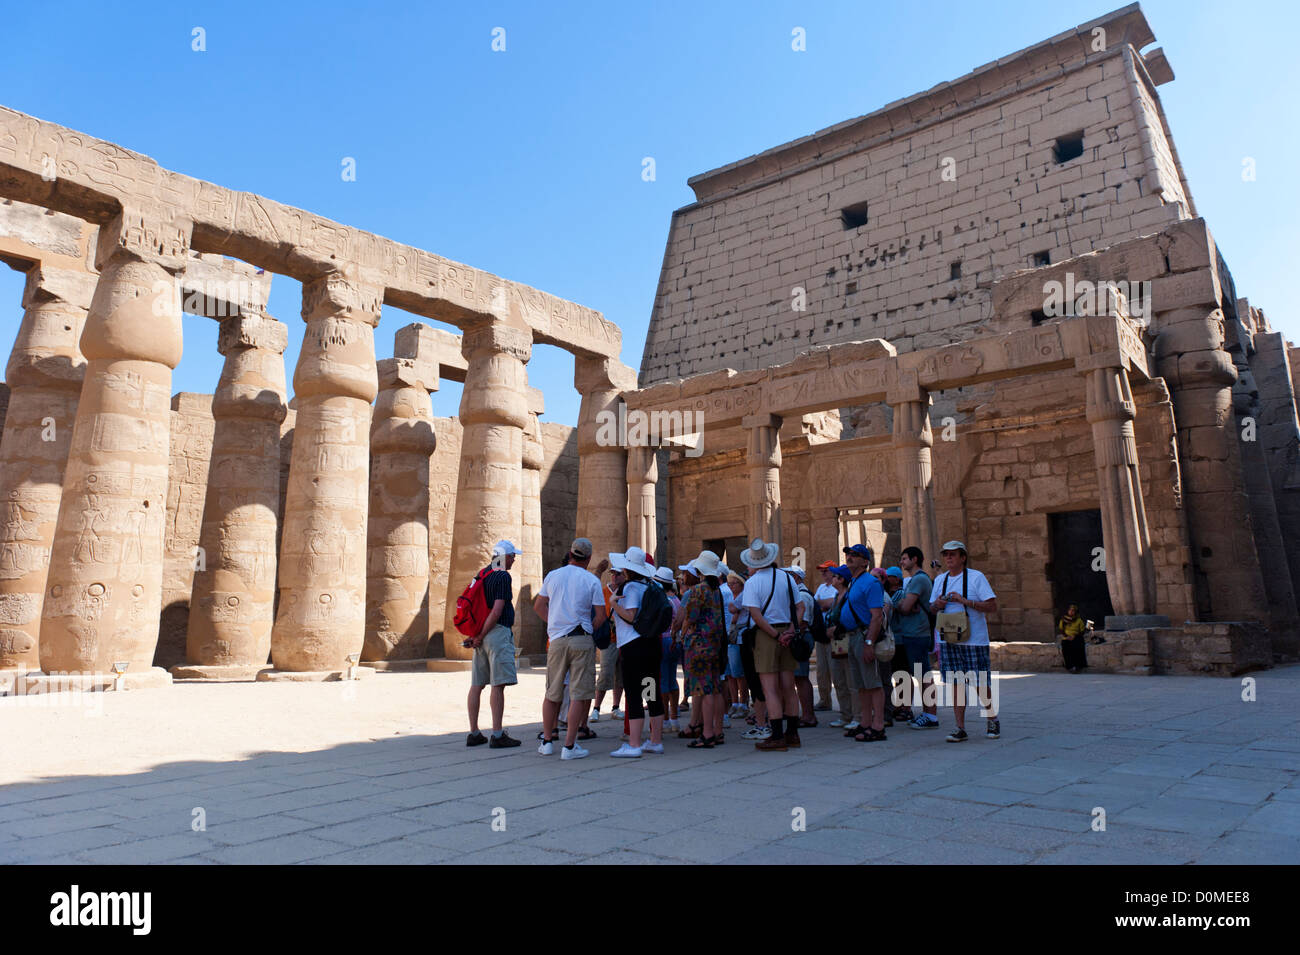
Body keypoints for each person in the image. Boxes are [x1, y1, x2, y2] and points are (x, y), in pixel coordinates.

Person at [533, 538, 607, 761]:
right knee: (578, 694)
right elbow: (601, 616)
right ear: (589, 558)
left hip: (556, 639)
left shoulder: (553, 575)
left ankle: (547, 742)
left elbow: (538, 606)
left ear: (570, 553)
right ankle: (569, 746)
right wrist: (588, 630)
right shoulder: (591, 580)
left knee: (552, 692)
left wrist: (554, 625)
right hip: (581, 637)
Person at [929, 540, 999, 742]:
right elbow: (932, 609)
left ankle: (992, 718)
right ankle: (960, 727)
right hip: (948, 639)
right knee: (955, 684)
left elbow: (991, 606)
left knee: (979, 683)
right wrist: (938, 604)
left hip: (974, 640)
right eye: (946, 554)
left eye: (953, 554)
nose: (948, 558)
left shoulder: (976, 578)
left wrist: (965, 601)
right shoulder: (940, 580)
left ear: (963, 557)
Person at [740, 538, 804, 752]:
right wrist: (791, 631)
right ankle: (793, 733)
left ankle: (777, 735)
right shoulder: (787, 578)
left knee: (770, 689)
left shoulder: (753, 583)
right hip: (787, 629)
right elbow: (800, 607)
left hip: (767, 635)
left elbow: (756, 615)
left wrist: (776, 636)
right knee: (788, 686)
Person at [607, 547, 665, 757]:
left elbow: (631, 616)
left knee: (633, 694)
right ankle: (655, 741)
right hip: (650, 646)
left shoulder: (630, 588)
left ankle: (633, 744)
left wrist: (614, 603)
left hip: (633, 647)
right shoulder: (649, 585)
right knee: (651, 693)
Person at [466, 540, 522, 749]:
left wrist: (477, 635)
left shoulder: (484, 573)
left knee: (477, 685)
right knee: (498, 685)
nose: (514, 559)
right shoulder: (502, 576)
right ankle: (497, 735)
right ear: (505, 557)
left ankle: (474, 732)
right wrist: (482, 634)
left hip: (480, 633)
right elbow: (497, 610)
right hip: (495, 633)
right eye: (512, 556)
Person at [678, 550, 728, 748]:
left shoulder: (699, 590)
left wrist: (683, 634)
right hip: (715, 645)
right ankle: (718, 731)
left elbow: (690, 617)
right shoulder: (716, 590)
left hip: (699, 646)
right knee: (715, 689)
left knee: (704, 690)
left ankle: (707, 734)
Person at [840, 544, 887, 742]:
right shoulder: (854, 582)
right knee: (861, 684)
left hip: (864, 636)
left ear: (865, 561)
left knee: (873, 683)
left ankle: (878, 726)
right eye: (849, 554)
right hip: (853, 637)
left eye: (855, 555)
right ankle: (866, 722)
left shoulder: (871, 583)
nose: (850, 557)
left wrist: (869, 642)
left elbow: (876, 617)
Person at [894, 547, 938, 729]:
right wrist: (902, 604)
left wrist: (902, 605)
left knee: (923, 675)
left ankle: (931, 715)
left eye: (904, 558)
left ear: (914, 559)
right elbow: (902, 604)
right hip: (912, 634)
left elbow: (904, 606)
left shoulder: (919, 579)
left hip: (918, 634)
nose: (902, 562)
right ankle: (927, 713)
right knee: (920, 674)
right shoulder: (914, 580)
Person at [823, 564, 858, 729]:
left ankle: (857, 716)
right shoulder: (837, 596)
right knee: (839, 680)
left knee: (852, 681)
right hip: (836, 643)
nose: (832, 578)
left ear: (842, 579)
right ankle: (845, 715)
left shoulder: (849, 596)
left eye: (835, 576)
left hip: (847, 641)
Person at [591, 563, 625, 723]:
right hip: (610, 639)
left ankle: (616, 707)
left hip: (624, 639)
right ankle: (596, 708)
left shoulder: (626, 592)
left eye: (618, 574)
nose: (614, 576)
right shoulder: (604, 592)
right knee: (605, 673)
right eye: (613, 573)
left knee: (621, 675)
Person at [786, 566, 818, 727]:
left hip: (801, 638)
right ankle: (806, 714)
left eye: (789, 575)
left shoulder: (802, 596)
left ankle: (808, 715)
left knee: (801, 677)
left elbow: (803, 622)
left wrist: (788, 633)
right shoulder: (799, 594)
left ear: (796, 577)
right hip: (799, 637)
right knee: (799, 677)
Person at [656, 566, 683, 729]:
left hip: (664, 640)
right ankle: (674, 718)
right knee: (672, 679)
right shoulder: (677, 599)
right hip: (676, 641)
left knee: (663, 682)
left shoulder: (662, 600)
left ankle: (665, 719)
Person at [812, 560, 838, 712]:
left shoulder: (837, 587)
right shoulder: (822, 587)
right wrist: (823, 603)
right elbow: (818, 605)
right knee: (822, 670)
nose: (823, 573)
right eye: (822, 571)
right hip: (821, 633)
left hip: (834, 634)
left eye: (826, 571)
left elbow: (829, 604)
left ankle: (843, 702)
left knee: (837, 670)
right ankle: (824, 700)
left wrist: (822, 603)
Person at [724, 571, 750, 720]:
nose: (731, 586)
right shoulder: (735, 597)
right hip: (731, 635)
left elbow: (733, 610)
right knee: (731, 674)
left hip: (738, 637)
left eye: (734, 583)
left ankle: (743, 703)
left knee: (739, 673)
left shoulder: (742, 596)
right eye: (730, 584)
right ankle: (735, 702)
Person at [1058, 603, 1088, 673]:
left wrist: (1074, 636)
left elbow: (1082, 631)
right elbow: (1061, 630)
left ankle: (1078, 667)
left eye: (1073, 610)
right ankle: (1070, 667)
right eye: (1070, 610)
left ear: (1075, 612)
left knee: (1078, 648)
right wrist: (1067, 636)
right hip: (1067, 637)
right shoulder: (1063, 620)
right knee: (1065, 649)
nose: (1071, 612)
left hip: (1076, 637)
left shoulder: (1079, 620)